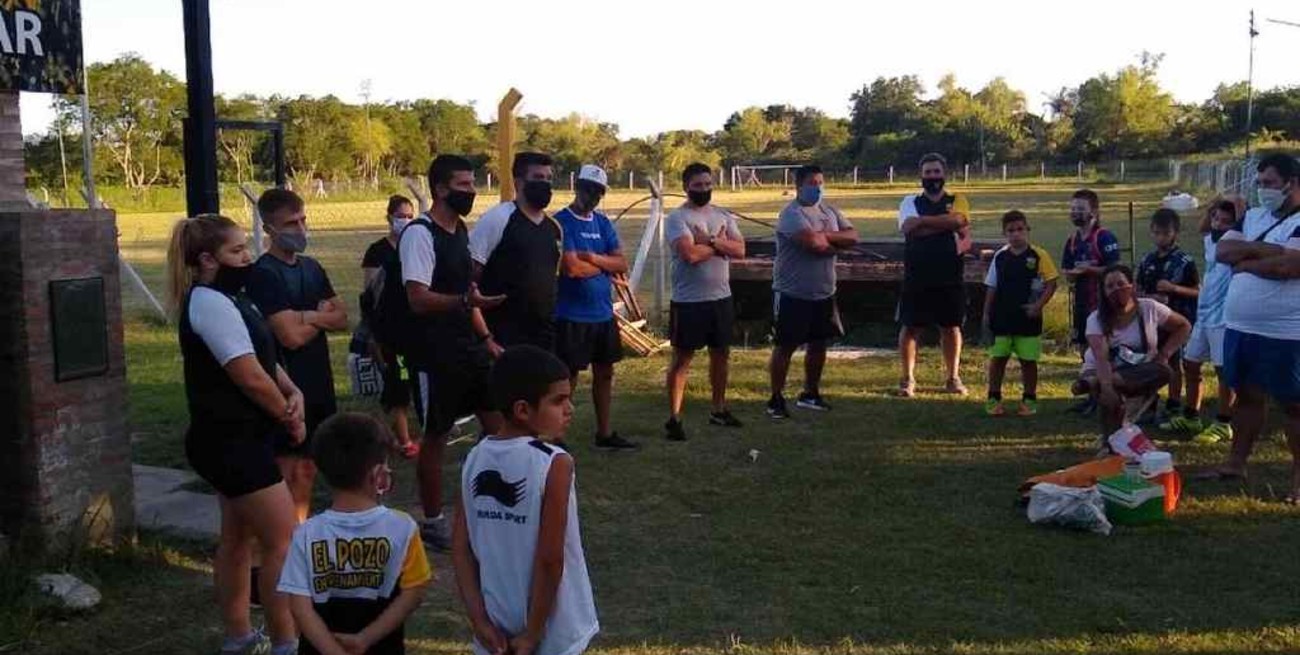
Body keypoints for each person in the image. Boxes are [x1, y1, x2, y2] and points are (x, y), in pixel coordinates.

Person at [166, 214, 304, 655]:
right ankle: (286, 641)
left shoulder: (234, 298)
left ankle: (239, 636)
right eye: (237, 251)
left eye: (246, 248)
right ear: (207, 259)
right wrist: (288, 415)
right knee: (285, 540)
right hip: (231, 443)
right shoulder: (209, 303)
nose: (247, 257)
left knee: (238, 538)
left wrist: (291, 388)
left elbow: (262, 357)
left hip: (235, 440)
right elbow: (247, 376)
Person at [452, 345, 599, 655]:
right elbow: (550, 559)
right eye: (559, 401)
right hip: (553, 629)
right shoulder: (554, 463)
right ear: (522, 409)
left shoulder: (474, 457)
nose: (570, 408)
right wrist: (533, 634)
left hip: (496, 626)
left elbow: (461, 550)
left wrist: (479, 622)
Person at [400, 155, 505, 551]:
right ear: (441, 188)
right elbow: (418, 298)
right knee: (436, 437)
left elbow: (469, 297)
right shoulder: (419, 234)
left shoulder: (460, 231)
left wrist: (486, 338)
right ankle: (432, 519)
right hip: (433, 355)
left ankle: (489, 505)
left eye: (472, 183)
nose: (471, 191)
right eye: (463, 185)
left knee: (500, 429)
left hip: (468, 349)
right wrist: (465, 302)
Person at [277, 413, 431, 655]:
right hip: (383, 647)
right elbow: (415, 591)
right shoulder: (403, 528)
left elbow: (299, 607)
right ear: (378, 474)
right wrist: (366, 638)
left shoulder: (306, 534)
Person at [246, 188, 349, 524]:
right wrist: (318, 315)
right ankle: (286, 545)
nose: (301, 229)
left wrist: (304, 316)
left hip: (320, 383)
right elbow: (288, 338)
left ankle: (297, 538)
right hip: (288, 386)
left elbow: (342, 317)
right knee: (291, 472)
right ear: (270, 229)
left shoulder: (312, 267)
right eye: (291, 223)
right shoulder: (263, 273)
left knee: (309, 468)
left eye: (303, 219)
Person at [1202, 154, 1300, 502]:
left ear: (1291, 183)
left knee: (1294, 406)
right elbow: (1223, 250)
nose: (1262, 190)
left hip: (1286, 333)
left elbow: (1291, 267)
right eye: (1259, 183)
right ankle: (1235, 463)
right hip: (1240, 326)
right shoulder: (1253, 216)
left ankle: (1298, 481)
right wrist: (1267, 251)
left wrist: (1248, 264)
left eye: (1270, 183)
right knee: (1246, 396)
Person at [554, 164, 640, 452]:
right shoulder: (560, 222)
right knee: (568, 379)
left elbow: (621, 263)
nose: (590, 196)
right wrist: (603, 264)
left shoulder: (603, 223)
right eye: (587, 189)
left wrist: (592, 257)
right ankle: (556, 434)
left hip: (603, 314)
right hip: (570, 315)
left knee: (605, 374)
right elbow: (572, 269)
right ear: (577, 187)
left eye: (597, 192)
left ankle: (604, 433)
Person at [766, 164, 858, 419]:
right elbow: (814, 244)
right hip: (792, 293)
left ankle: (810, 393)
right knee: (785, 346)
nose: (817, 187)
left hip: (824, 292)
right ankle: (775, 398)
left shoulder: (829, 210)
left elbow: (853, 236)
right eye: (812, 183)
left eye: (820, 182)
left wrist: (827, 237)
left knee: (819, 344)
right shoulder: (791, 215)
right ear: (799, 186)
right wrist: (834, 242)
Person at [664, 162, 746, 441]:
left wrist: (709, 241)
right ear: (686, 187)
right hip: (689, 301)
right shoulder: (677, 219)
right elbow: (690, 255)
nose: (704, 190)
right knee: (682, 359)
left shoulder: (722, 214)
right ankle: (674, 417)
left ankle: (718, 409)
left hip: (720, 298)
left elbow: (740, 250)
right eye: (698, 185)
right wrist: (718, 245)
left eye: (708, 184)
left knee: (721, 354)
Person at [1072, 265, 1192, 440]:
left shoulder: (1149, 308)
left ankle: (1092, 385)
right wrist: (1106, 386)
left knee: (1164, 371)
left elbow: (1184, 326)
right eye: (1110, 286)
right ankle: (1111, 442)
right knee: (1110, 392)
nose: (1116, 290)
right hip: (1102, 369)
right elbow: (1101, 358)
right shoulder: (1095, 319)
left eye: (1121, 284)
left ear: (1132, 286)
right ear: (1104, 292)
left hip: (1139, 370)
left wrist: (1164, 354)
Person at [896, 152, 971, 398]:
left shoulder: (958, 198)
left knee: (951, 327)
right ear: (921, 175)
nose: (932, 177)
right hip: (917, 274)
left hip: (950, 274)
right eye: (928, 172)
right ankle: (907, 380)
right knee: (911, 327)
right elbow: (909, 229)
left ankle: (953, 377)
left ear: (944, 174)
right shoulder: (909, 201)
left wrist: (924, 222)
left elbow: (960, 221)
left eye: (936, 172)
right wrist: (946, 224)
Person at [470, 152, 562, 352]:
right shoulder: (497, 219)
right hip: (503, 337)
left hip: (544, 337)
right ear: (519, 183)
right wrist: (485, 338)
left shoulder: (553, 228)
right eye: (538, 178)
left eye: (548, 179)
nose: (545, 184)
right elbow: (469, 280)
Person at [1174, 198, 1241, 443]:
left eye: (1226, 221)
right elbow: (1204, 226)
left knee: (1224, 372)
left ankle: (1224, 423)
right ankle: (1191, 415)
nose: (1219, 224)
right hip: (1203, 315)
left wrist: (1240, 213)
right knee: (1190, 363)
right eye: (1217, 219)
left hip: (1223, 318)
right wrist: (1214, 204)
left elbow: (1240, 226)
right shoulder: (1211, 241)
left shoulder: (1237, 244)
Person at [981, 210, 1059, 417]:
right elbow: (992, 286)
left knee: (1028, 361)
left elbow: (1052, 283)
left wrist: (1038, 306)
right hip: (1002, 318)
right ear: (1004, 234)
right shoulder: (1000, 257)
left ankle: (1029, 399)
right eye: (1011, 230)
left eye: (1020, 229)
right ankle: (993, 398)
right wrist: (987, 314)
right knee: (998, 359)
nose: (1016, 234)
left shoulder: (1039, 255)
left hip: (1028, 319)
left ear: (1027, 230)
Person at [361, 195, 420, 459]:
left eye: (410, 215)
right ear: (389, 217)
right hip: (392, 335)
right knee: (401, 383)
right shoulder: (378, 251)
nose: (405, 221)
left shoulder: (416, 245)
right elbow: (370, 296)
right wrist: (374, 335)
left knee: (414, 380)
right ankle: (404, 439)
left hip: (417, 329)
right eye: (401, 215)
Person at [1135, 208, 1201, 426]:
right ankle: (1149, 403)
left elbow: (1198, 291)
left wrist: (1174, 289)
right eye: (1156, 232)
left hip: (1179, 321)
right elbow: (1137, 290)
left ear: (1176, 233)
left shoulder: (1184, 261)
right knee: (1152, 360)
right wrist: (1150, 297)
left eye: (1165, 233)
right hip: (1152, 322)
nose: (1160, 237)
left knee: (1173, 361)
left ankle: (1174, 404)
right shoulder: (1147, 260)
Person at [1061, 189, 1122, 413]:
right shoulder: (1072, 241)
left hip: (1102, 304)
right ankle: (1092, 396)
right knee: (1084, 350)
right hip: (1080, 303)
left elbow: (1117, 270)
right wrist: (1072, 274)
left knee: (1104, 350)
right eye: (1073, 208)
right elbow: (1066, 271)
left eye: (1080, 209)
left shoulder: (1104, 237)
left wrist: (1090, 270)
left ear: (1094, 211)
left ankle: (1108, 394)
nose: (1075, 213)